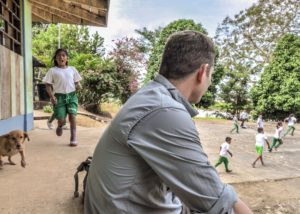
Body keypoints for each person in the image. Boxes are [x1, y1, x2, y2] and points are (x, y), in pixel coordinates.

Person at [84, 31, 252, 214]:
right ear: (203, 72)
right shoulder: (165, 111)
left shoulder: (151, 97)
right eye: (211, 75)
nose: (210, 82)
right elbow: (217, 202)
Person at [43, 48, 82, 147]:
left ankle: (73, 138)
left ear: (67, 58)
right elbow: (48, 85)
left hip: (71, 96)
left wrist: (78, 85)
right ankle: (60, 125)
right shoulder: (52, 71)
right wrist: (51, 96)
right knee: (61, 119)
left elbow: (77, 82)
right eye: (59, 55)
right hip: (59, 97)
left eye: (63, 55)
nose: (61, 57)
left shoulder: (72, 69)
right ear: (55, 59)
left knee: (72, 116)